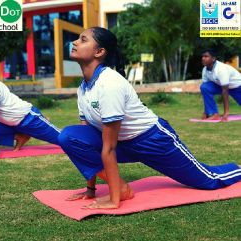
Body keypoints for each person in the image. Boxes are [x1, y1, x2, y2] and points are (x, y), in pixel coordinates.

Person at [58, 27, 241, 209]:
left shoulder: (109, 83)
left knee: (208, 180)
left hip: (152, 140)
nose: (74, 42)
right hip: (123, 144)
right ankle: (121, 188)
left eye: (83, 40)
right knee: (69, 136)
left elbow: (109, 147)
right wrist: (91, 188)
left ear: (99, 52)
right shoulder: (83, 88)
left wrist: (114, 201)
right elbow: (86, 136)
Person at [0, 51, 60, 159]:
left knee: (63, 140)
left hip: (28, 118)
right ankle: (21, 136)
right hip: (8, 124)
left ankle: (41, 121)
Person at [200, 49, 241, 121]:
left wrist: (226, 113)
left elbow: (225, 91)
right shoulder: (205, 70)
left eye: (206, 56)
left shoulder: (221, 69)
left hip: (237, 87)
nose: (203, 58)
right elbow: (205, 91)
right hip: (220, 86)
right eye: (203, 56)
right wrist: (206, 112)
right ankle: (214, 114)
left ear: (213, 59)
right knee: (204, 87)